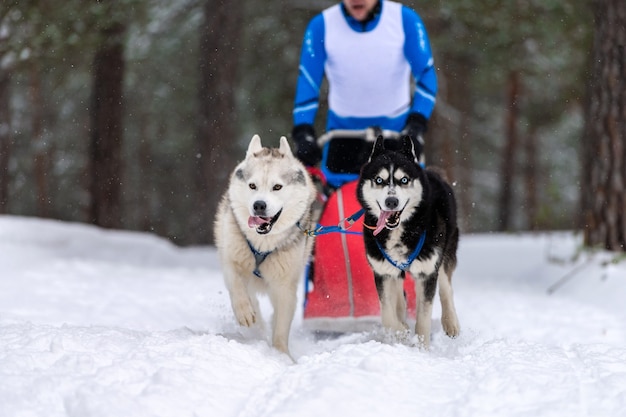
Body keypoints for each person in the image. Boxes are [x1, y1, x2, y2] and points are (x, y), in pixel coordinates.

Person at [291, 0, 437, 179]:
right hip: (342, 135)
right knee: (339, 204)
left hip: (397, 133)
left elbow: (426, 75)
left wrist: (417, 124)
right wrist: (303, 132)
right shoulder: (321, 26)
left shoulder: (405, 20)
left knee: (404, 201)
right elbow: (308, 81)